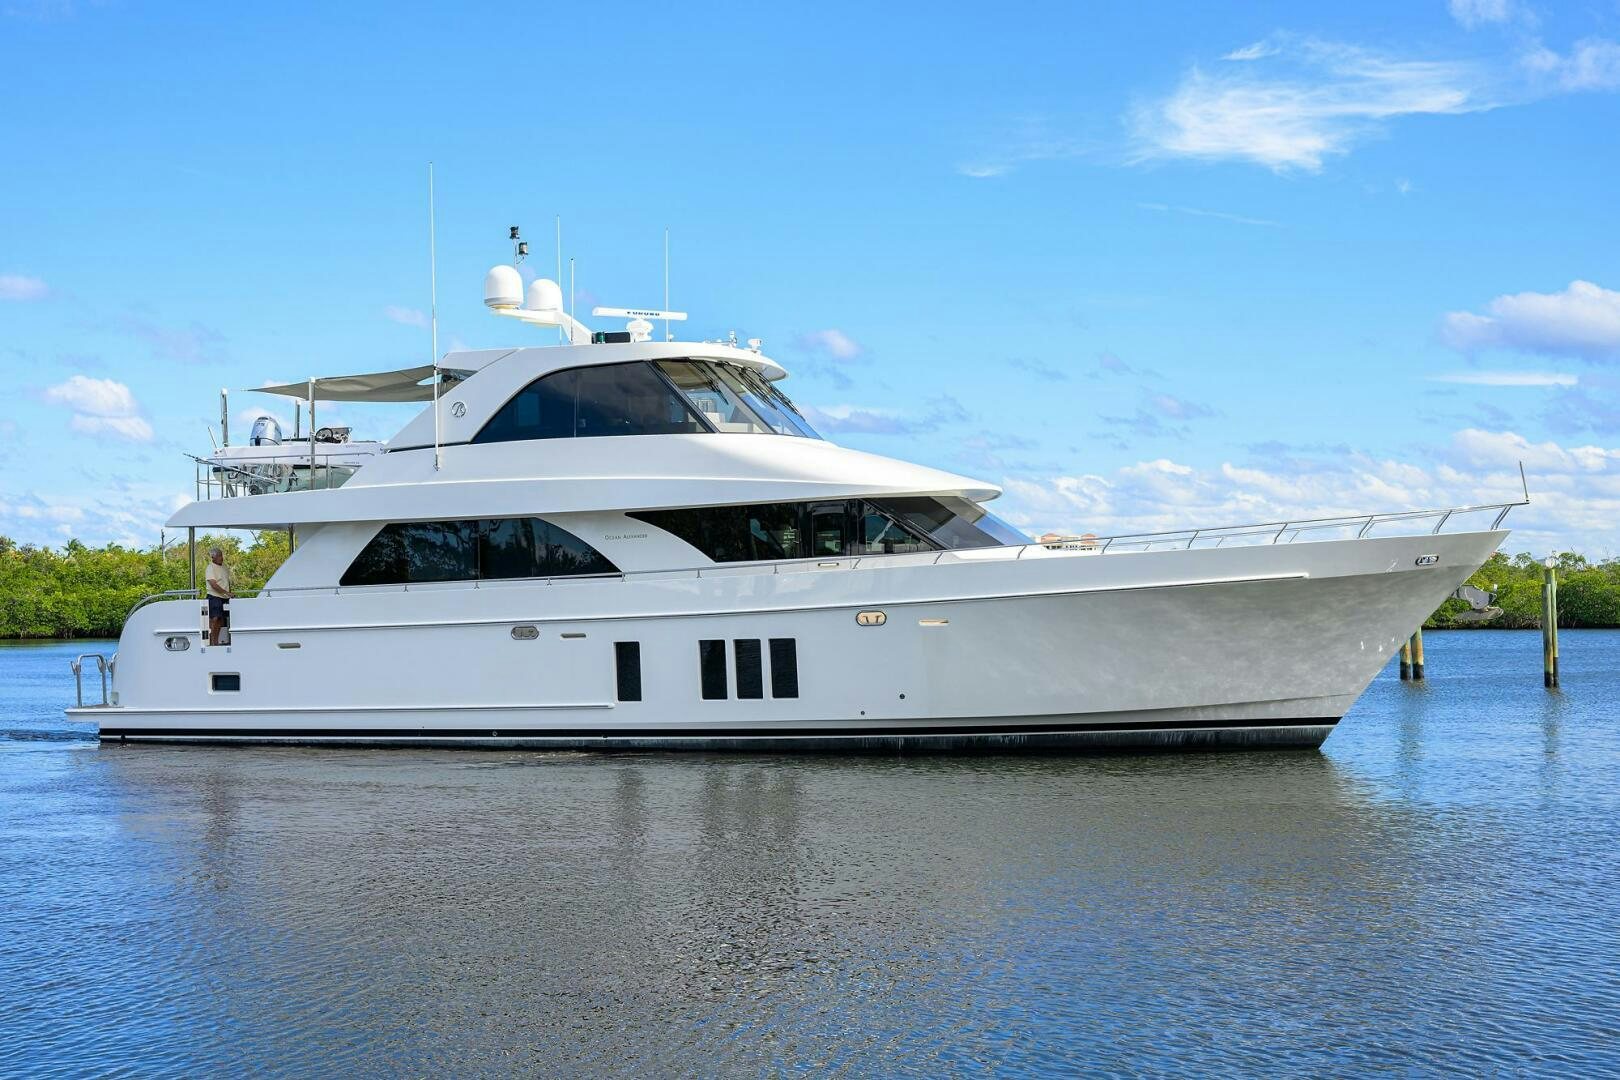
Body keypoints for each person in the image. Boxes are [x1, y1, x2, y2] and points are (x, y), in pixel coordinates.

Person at [204, 546, 233, 646]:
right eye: (219, 556)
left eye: (222, 555)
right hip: (214, 596)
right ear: (213, 557)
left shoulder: (224, 567)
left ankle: (217, 641)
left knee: (221, 620)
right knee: (215, 619)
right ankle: (212, 642)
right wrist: (227, 592)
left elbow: (226, 582)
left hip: (225, 597)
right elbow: (213, 584)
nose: (222, 557)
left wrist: (229, 593)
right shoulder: (210, 568)